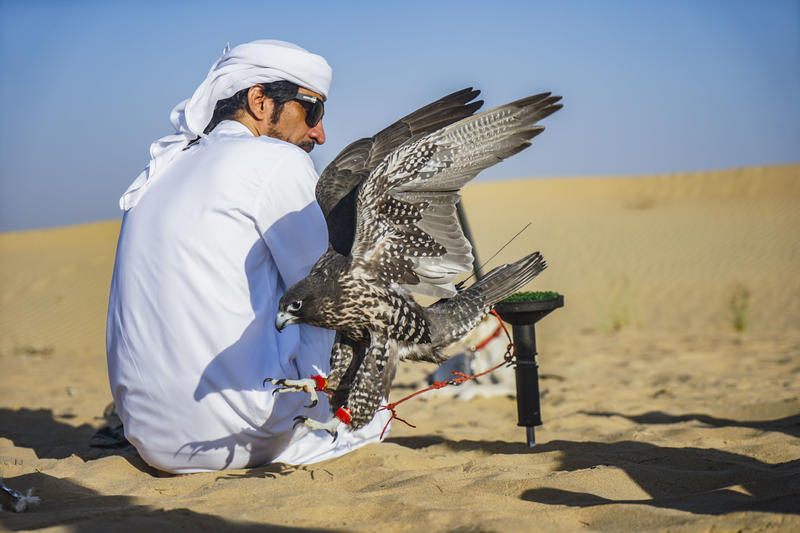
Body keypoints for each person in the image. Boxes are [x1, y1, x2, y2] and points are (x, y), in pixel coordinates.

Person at [106, 40, 390, 474]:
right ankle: (310, 416)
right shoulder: (275, 160)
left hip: (148, 437)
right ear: (260, 100)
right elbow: (327, 299)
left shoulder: (160, 168)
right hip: (240, 437)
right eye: (312, 111)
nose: (319, 133)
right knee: (375, 414)